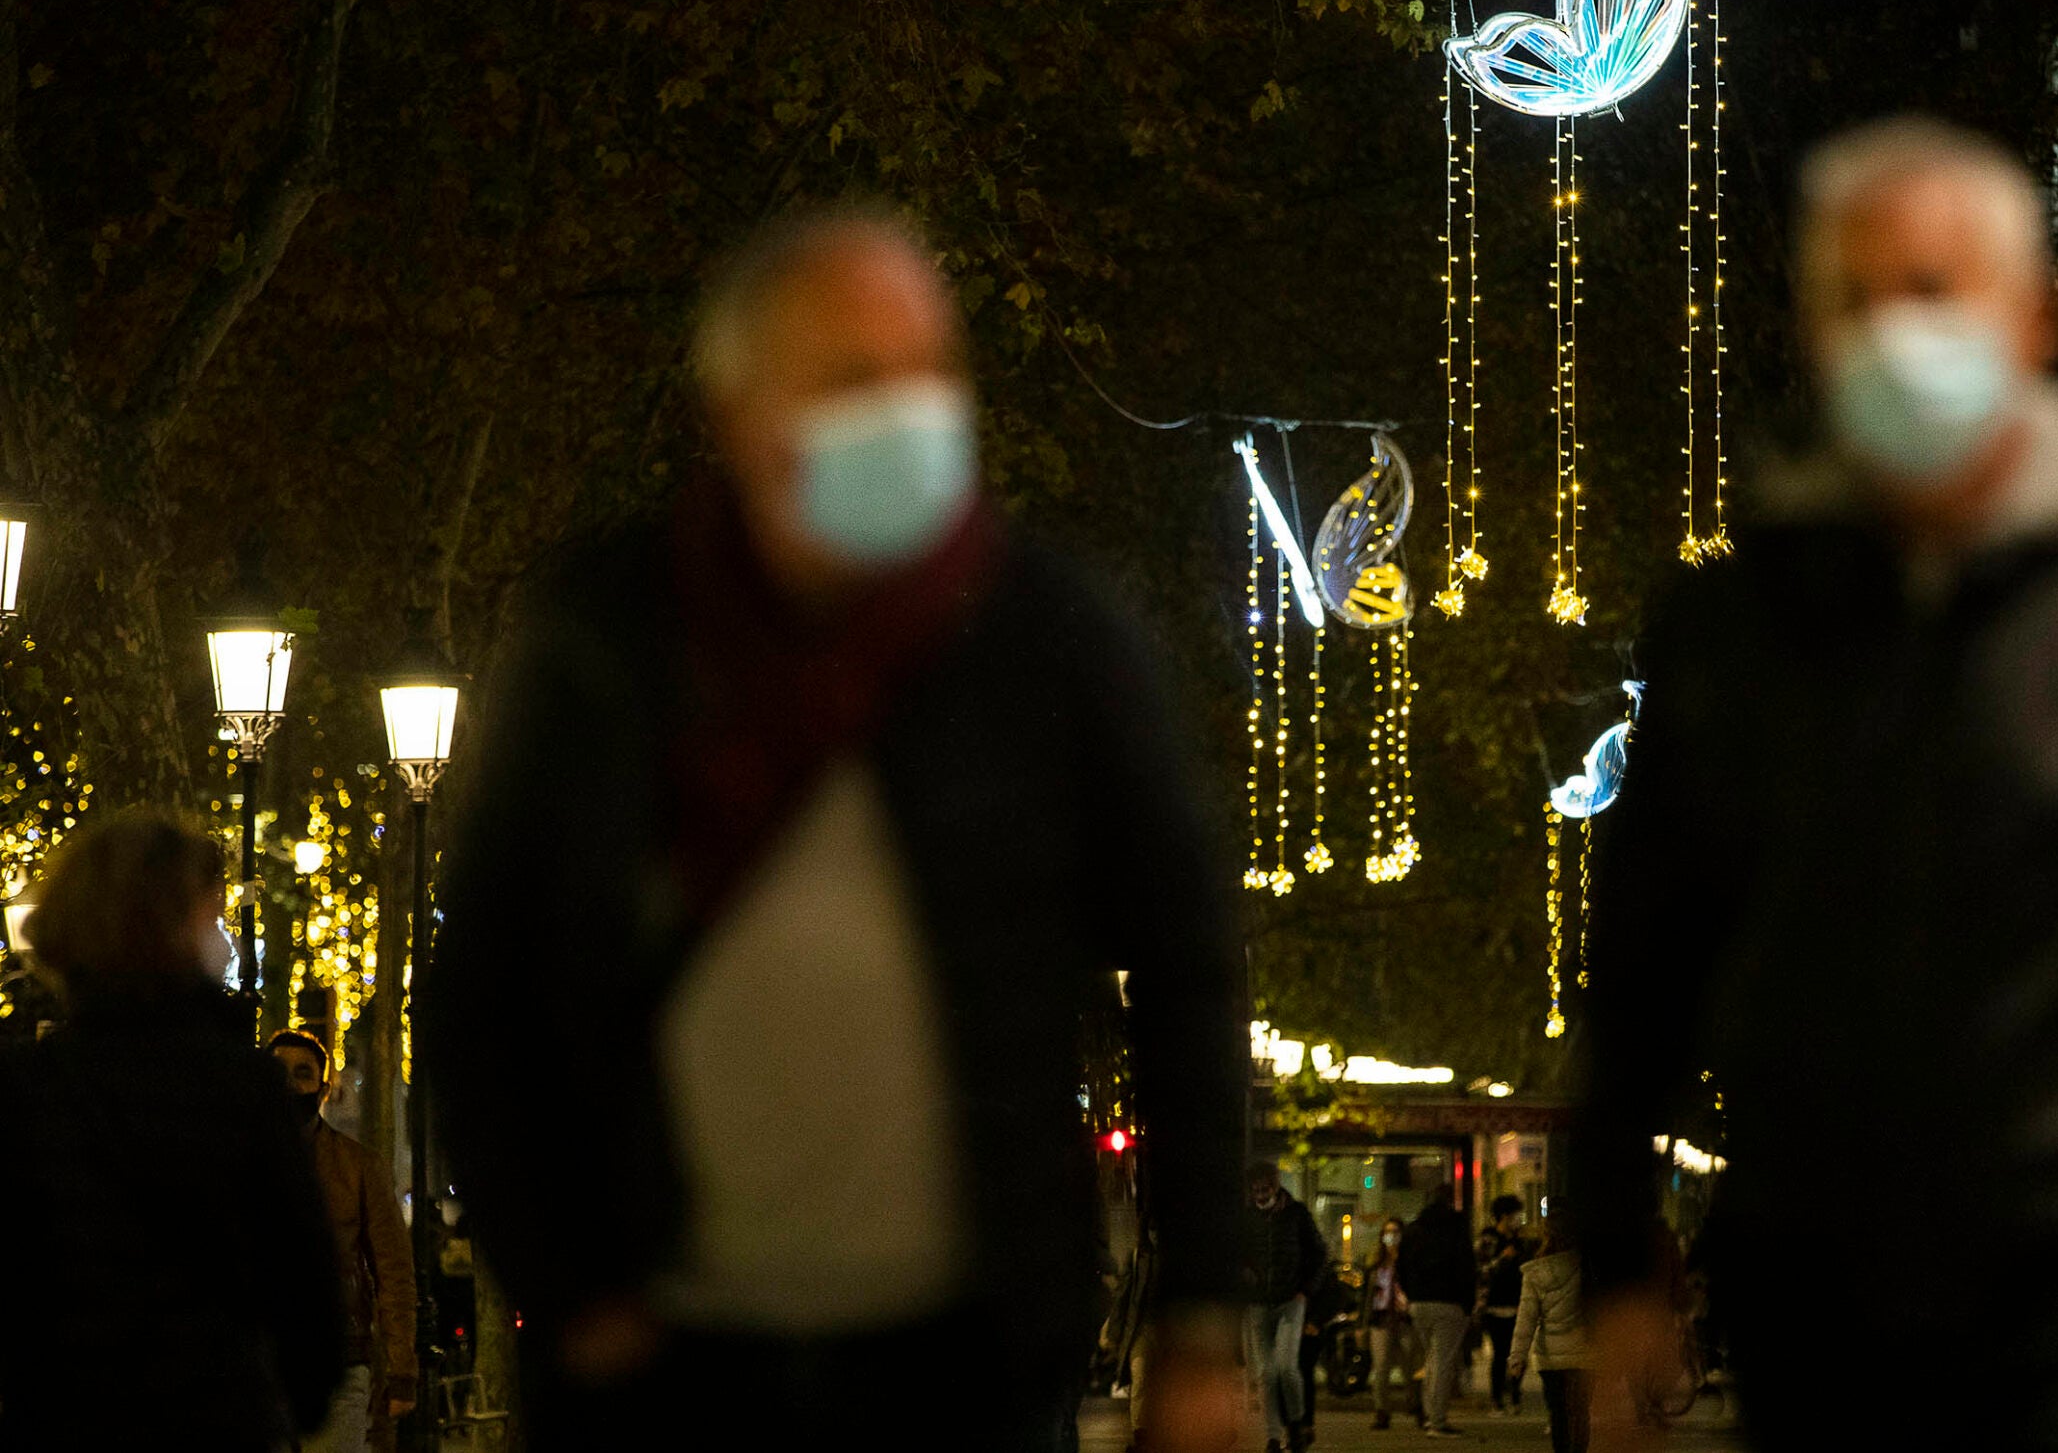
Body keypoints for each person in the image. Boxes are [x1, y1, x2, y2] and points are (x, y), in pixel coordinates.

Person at [1575, 115, 2058, 1453]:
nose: (1895, 334)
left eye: (1933, 292)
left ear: (2036, 317)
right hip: (1813, 1289)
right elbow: (1645, 958)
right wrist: (1614, 1256)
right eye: (1854, 297)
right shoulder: (1733, 626)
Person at [430, 204, 1249, 1452]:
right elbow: (488, 977)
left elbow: (1187, 968)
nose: (911, 409)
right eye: (858, 377)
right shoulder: (602, 637)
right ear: (743, 413)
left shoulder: (1049, 633)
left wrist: (1196, 1322)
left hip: (965, 1369)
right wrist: (569, 1285)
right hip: (661, 1374)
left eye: (931, 370)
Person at [0, 813, 345, 1450]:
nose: (223, 936)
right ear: (169, 929)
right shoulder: (238, 1089)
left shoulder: (29, 1091)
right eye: (210, 917)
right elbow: (306, 1289)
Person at [270, 1027, 419, 1452]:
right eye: (279, 1073)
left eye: (303, 1074)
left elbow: (393, 1270)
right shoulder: (234, 1163)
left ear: (322, 1085)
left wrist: (401, 1370)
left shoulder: (358, 1167)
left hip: (337, 1364)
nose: (291, 1084)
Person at [1244, 1162, 1328, 1453]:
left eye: (1265, 1189)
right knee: (1267, 1373)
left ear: (1276, 1185)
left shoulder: (1296, 1214)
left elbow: (1319, 1253)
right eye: (1255, 1190)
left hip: (1291, 1300)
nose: (1260, 1195)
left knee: (1286, 1368)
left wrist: (1306, 1290)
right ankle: (1272, 1437)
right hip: (1258, 1303)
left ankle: (1295, 1424)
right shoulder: (1247, 1218)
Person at [1396, 1182, 1477, 1437]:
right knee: (1442, 1361)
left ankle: (1430, 1414)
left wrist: (1411, 1295)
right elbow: (1466, 1266)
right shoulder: (1456, 1227)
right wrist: (1468, 1303)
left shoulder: (1413, 1230)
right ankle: (1437, 1420)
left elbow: (1401, 1267)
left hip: (1419, 1304)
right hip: (1449, 1303)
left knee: (1431, 1359)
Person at [1510, 1213, 1591, 1453]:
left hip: (1550, 1356)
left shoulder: (1535, 1272)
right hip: (1585, 1351)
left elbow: (1526, 1318)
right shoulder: (1586, 1266)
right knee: (1581, 1411)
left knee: (1558, 1414)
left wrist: (1517, 1357)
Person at [1476, 1194, 1529, 1416]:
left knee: (1518, 1354)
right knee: (1500, 1354)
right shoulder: (1488, 1238)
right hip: (1494, 1306)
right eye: (1517, 1215)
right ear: (1505, 1216)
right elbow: (1481, 1269)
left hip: (1518, 1305)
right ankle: (1497, 1399)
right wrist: (1503, 1258)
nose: (1519, 1220)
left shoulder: (1519, 1241)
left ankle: (1515, 1394)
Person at [1364, 1217, 1418, 1430]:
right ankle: (1381, 1411)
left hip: (1404, 1319)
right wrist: (1363, 1324)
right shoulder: (1376, 1264)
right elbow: (1368, 1296)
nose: (1391, 1236)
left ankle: (1416, 1405)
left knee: (1409, 1366)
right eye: (1387, 1232)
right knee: (1381, 1368)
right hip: (1381, 1319)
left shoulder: (1409, 1260)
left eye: (1395, 1232)